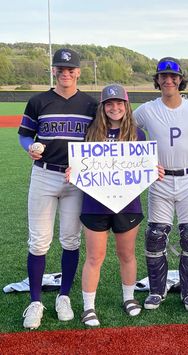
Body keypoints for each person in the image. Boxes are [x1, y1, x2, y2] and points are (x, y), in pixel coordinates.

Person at [18, 48, 98, 329]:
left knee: (70, 240)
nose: (65, 73)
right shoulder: (38, 100)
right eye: (60, 69)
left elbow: (98, 142)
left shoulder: (91, 105)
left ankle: (63, 296)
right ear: (54, 71)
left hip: (75, 180)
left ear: (78, 72)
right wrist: (30, 148)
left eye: (70, 69)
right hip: (43, 175)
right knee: (38, 241)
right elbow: (25, 134)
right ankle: (35, 301)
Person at [76, 84, 164, 327]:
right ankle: (88, 306)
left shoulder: (138, 134)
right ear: (102, 107)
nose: (114, 108)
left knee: (126, 254)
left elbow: (143, 167)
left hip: (128, 204)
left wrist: (152, 171)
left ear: (126, 106)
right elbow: (80, 163)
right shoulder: (90, 133)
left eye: (119, 103)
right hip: (94, 204)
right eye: (109, 104)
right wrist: (74, 171)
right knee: (95, 256)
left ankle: (129, 298)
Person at [133, 57, 188, 311]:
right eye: (163, 76)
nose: (168, 80)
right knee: (155, 237)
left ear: (180, 80)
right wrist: (142, 158)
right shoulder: (146, 109)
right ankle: (157, 291)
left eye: (173, 77)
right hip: (160, 180)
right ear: (157, 80)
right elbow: (125, 129)